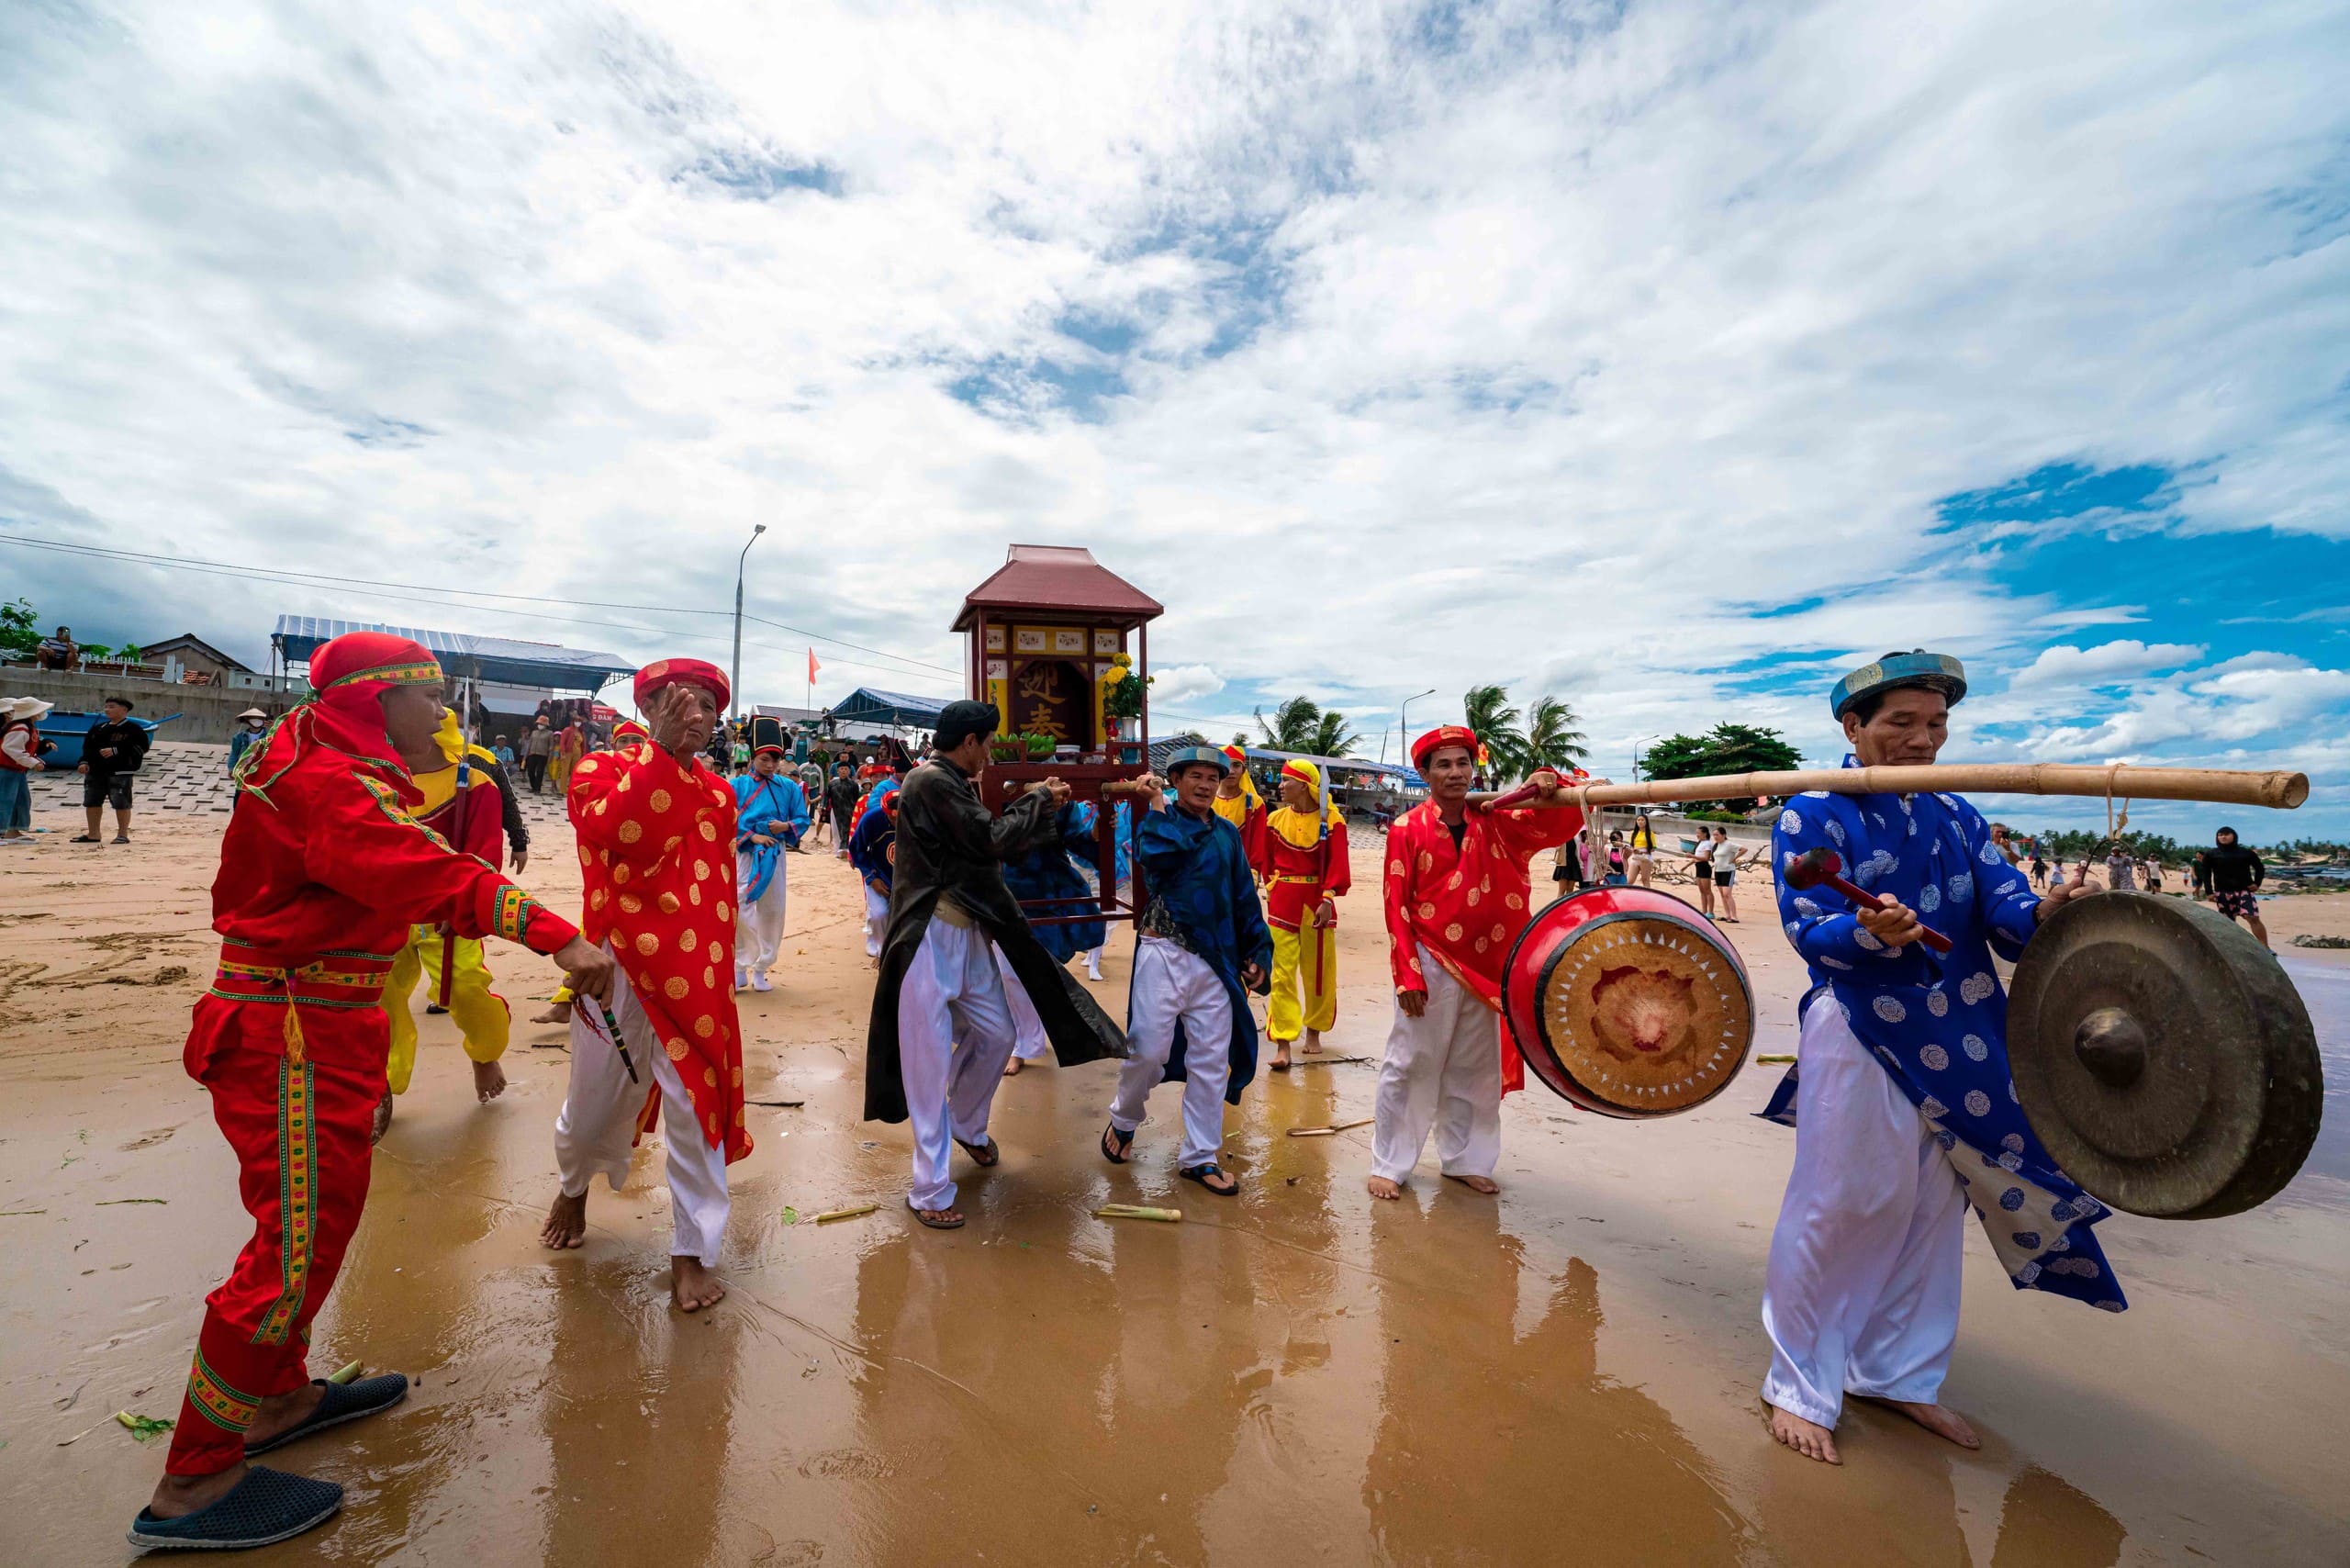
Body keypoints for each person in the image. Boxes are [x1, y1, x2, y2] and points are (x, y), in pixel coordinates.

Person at [129, 632, 610, 1551]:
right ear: (374, 698)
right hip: (292, 1033)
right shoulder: (324, 780)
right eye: (424, 694)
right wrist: (553, 933)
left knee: (324, 1220)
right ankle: (192, 1480)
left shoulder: (332, 759)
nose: (439, 711)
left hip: (321, 1022)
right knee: (290, 1247)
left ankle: (278, 1398)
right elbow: (418, 871)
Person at [1761, 650, 2109, 1469]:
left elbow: (2007, 914)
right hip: (1862, 1027)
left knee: (1930, 1210)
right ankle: (1799, 1383)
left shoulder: (1956, 814)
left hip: (1964, 1033)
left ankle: (1897, 1373)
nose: (1923, 739)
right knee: (1845, 1202)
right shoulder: (1813, 812)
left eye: (1936, 725)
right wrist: (1864, 932)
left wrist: (2048, 910)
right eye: (1902, 723)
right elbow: (1809, 926)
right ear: (1853, 727)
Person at [864, 700, 1125, 1230]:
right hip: (927, 940)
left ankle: (966, 1123)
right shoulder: (929, 782)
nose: (989, 754)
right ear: (971, 743)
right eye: (987, 743)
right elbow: (989, 838)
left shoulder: (951, 784)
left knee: (999, 1033)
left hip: (968, 933)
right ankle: (930, 1190)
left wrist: (1036, 802)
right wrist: (1039, 801)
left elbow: (987, 838)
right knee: (927, 1066)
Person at [541, 659, 748, 1314]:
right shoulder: (597, 771)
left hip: (696, 975)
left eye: (708, 708)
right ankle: (573, 1186)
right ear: (648, 707)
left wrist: (719, 970)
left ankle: (693, 1249)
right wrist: (658, 757)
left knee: (696, 1107)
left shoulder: (719, 792)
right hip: (617, 963)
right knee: (597, 1095)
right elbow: (623, 835)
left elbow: (718, 894)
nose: (697, 717)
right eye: (680, 703)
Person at [1370, 727, 1583, 1199]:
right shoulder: (1407, 829)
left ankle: (1467, 1159)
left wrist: (1546, 781)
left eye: (1462, 763)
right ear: (1423, 774)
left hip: (1488, 966)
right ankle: (1390, 1162)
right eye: (1442, 765)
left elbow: (1560, 816)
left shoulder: (1496, 819)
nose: (1454, 773)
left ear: (1473, 768)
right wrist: (1407, 973)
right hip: (1429, 957)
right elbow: (1395, 904)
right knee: (1411, 1063)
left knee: (1475, 1067)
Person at [1101, 749, 1272, 1195]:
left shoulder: (1228, 835)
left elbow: (1243, 896)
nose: (1204, 784)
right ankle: (1123, 1118)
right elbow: (1157, 857)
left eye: (1213, 777)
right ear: (1175, 780)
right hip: (1164, 952)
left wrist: (1258, 949)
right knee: (1147, 1051)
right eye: (1194, 776)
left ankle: (1199, 1156)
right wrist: (1155, 803)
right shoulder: (1157, 823)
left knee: (1211, 1062)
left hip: (1215, 959)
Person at [379, 709, 522, 1133]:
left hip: (449, 913)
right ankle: (381, 1080)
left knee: (465, 987)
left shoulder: (476, 780)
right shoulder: (376, 777)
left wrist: (460, 904)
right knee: (377, 994)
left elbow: (482, 857)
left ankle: (484, 1053)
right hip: (386, 912)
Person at [999, 785, 1110, 1075]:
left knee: (1037, 971)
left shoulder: (1064, 802)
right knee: (1010, 974)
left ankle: (1029, 1039)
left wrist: (1097, 832)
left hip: (1052, 892)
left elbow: (1079, 842)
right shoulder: (999, 791)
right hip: (1007, 892)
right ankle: (1024, 1043)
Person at [1248, 757, 1349, 1070]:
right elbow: (1264, 858)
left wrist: (1328, 898)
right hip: (1282, 902)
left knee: (1318, 972)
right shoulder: (1275, 819)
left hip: (1318, 902)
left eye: (1286, 781)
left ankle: (1314, 1033)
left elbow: (1338, 863)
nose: (1280, 786)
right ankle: (1282, 1041)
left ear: (1305, 786)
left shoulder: (1332, 821)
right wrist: (1271, 885)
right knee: (1281, 974)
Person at [733, 720, 811, 991]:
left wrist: (784, 827)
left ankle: (762, 968)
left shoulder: (788, 787)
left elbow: (802, 819)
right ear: (753, 757)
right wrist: (751, 835)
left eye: (775, 761)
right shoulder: (738, 785)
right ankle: (740, 965)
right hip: (746, 853)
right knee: (742, 904)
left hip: (775, 853)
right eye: (765, 759)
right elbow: (726, 819)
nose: (770, 765)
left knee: (773, 909)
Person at [74, 694, 150, 844]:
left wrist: (116, 750)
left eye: (112, 707)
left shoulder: (133, 729)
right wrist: (83, 762)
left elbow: (142, 747)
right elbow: (88, 748)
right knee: (92, 802)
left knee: (121, 802)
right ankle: (93, 834)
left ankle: (122, 834)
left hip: (121, 771)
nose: (107, 709)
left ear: (124, 710)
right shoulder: (98, 729)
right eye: (106, 706)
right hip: (96, 771)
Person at [2194, 826, 2268, 948]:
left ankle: (2265, 947)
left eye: (2227, 834)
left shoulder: (2246, 853)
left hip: (2244, 891)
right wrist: (2209, 892)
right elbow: (2206, 873)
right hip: (2222, 892)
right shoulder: (2211, 854)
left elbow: (2259, 868)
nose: (2223, 837)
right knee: (2228, 923)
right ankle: (2231, 948)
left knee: (2252, 917)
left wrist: (2257, 883)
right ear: (2217, 837)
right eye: (2220, 835)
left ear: (2234, 836)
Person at [847, 790, 899, 966]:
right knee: (879, 914)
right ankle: (881, 951)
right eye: (892, 820)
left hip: (905, 878)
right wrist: (871, 876)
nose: (896, 823)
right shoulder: (872, 819)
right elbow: (857, 849)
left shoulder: (916, 816)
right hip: (879, 875)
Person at [1, 696, 54, 837]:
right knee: (4, 799)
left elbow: (23, 750)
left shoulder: (28, 728)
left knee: (21, 799)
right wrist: (32, 762)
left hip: (17, 770)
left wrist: (35, 759)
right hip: (6, 770)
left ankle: (13, 830)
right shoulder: (21, 728)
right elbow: (11, 748)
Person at [1210, 745, 1263, 836]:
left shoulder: (1256, 804)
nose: (1231, 771)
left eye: (1236, 765)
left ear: (1243, 770)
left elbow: (1258, 846)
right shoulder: (1206, 801)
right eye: (1225, 765)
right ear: (1218, 769)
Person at [1708, 826, 1747, 921]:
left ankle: (1734, 916)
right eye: (1714, 835)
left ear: (1723, 835)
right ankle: (1728, 915)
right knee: (1722, 894)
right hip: (1718, 871)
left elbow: (1744, 849)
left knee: (1727, 894)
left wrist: (1734, 859)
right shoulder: (1716, 845)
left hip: (1728, 871)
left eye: (1717, 835)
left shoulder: (1729, 844)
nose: (1715, 837)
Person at [824, 760, 860, 860]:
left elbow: (857, 799)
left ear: (849, 771)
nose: (843, 771)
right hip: (835, 811)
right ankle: (838, 852)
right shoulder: (832, 784)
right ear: (838, 771)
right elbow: (827, 797)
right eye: (841, 769)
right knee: (836, 831)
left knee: (847, 831)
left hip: (849, 811)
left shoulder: (854, 785)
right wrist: (823, 807)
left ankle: (847, 852)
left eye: (846, 769)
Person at [228, 709, 270, 773]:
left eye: (259, 718)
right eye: (253, 718)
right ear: (247, 720)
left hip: (261, 768)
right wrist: (231, 768)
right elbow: (234, 753)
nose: (257, 720)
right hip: (243, 768)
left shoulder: (269, 736)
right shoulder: (239, 737)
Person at [523, 714, 556, 794]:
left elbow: (551, 746)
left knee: (540, 772)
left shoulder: (549, 733)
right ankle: (533, 786)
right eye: (539, 724)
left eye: (542, 724)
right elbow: (529, 744)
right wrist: (525, 756)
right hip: (532, 754)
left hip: (543, 755)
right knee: (530, 771)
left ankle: (537, 789)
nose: (540, 725)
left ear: (546, 725)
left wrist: (550, 757)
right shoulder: (534, 732)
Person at [1687, 826, 1717, 915]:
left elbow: (1706, 858)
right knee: (1702, 891)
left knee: (1707, 890)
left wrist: (1692, 856)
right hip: (1698, 867)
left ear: (1705, 834)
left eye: (1698, 833)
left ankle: (1710, 912)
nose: (1697, 835)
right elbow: (1696, 857)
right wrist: (1686, 865)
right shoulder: (1700, 843)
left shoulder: (1707, 844)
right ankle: (1704, 911)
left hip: (1704, 867)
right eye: (1696, 833)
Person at [1626, 813, 1655, 888]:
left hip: (1645, 857)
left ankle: (1648, 897)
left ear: (1646, 822)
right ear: (1636, 822)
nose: (1640, 822)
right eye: (1638, 820)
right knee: (1629, 880)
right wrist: (1633, 850)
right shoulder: (1633, 833)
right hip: (1635, 856)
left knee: (1645, 880)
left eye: (1642, 820)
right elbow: (1631, 846)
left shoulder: (1650, 833)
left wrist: (1641, 852)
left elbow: (1653, 848)